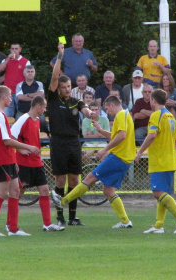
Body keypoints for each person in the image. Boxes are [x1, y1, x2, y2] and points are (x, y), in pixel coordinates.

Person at [51, 95, 135, 229]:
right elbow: (116, 134)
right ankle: (125, 221)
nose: (107, 112)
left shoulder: (120, 115)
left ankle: (63, 201)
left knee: (90, 178)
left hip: (118, 156)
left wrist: (104, 149)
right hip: (125, 158)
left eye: (107, 108)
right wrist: (101, 131)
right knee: (108, 190)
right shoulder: (125, 115)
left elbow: (122, 136)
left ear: (112, 105)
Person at [0, 86, 41, 236]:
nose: (11, 99)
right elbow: (7, 140)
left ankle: (13, 228)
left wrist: (14, 159)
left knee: (15, 191)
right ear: (3, 97)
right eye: (9, 97)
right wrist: (29, 147)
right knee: (2, 192)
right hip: (1, 159)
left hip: (7, 158)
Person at [48, 42, 95, 226]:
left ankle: (72, 216)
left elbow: (85, 109)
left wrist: (90, 113)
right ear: (58, 88)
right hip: (58, 143)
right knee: (60, 180)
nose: (67, 89)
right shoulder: (52, 99)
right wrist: (59, 56)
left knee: (75, 179)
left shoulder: (76, 101)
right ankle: (59, 216)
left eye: (69, 86)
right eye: (64, 86)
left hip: (74, 143)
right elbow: (54, 76)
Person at [134, 89, 176, 234]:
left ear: (153, 100)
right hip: (169, 159)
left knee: (158, 192)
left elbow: (151, 136)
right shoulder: (170, 116)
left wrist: (139, 152)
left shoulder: (156, 115)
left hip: (160, 160)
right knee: (162, 192)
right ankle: (159, 225)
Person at [10, 96, 64, 232]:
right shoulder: (23, 119)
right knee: (19, 192)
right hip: (23, 162)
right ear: (38, 106)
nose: (45, 110)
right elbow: (10, 136)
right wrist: (21, 149)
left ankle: (47, 224)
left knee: (44, 190)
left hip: (36, 162)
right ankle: (10, 223)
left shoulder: (37, 121)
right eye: (44, 107)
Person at [0, 43, 31, 118]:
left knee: (22, 115)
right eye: (12, 49)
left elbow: (29, 76)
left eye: (16, 49)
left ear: (20, 50)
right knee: (7, 116)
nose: (14, 50)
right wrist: (8, 59)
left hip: (20, 92)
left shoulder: (25, 61)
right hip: (7, 92)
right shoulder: (6, 60)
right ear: (10, 50)